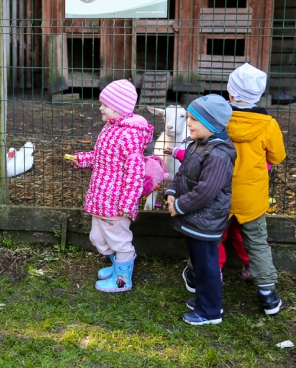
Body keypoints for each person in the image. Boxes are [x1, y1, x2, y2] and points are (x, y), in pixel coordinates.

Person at [71, 79, 154, 293]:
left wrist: (128, 203)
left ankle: (122, 279)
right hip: (101, 196)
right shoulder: (110, 129)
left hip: (116, 202)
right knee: (97, 238)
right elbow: (102, 157)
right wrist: (82, 159)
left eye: (105, 105)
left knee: (119, 241)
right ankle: (119, 266)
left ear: (119, 108)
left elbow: (135, 173)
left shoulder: (129, 136)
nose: (101, 108)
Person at [164, 94, 236, 325]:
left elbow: (207, 191)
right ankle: (205, 300)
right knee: (199, 263)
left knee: (207, 267)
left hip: (206, 221)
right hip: (194, 219)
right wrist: (171, 193)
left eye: (194, 120)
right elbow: (183, 173)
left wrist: (179, 206)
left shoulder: (218, 154)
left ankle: (211, 311)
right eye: (190, 118)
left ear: (212, 124)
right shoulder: (198, 145)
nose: (189, 123)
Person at [225, 63, 287, 315]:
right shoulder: (268, 124)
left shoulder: (220, 117)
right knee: (257, 242)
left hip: (218, 194)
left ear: (230, 93)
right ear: (259, 95)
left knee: (209, 238)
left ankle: (201, 277)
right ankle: (267, 294)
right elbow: (278, 157)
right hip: (251, 198)